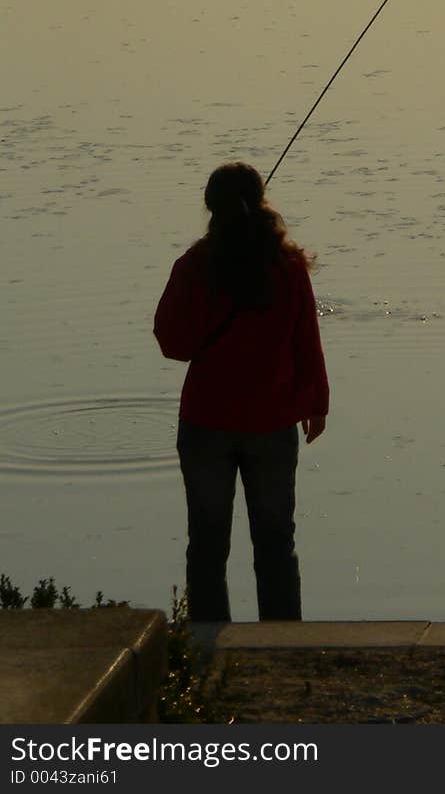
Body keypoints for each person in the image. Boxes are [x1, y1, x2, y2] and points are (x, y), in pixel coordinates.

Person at [153, 162, 329, 623]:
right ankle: (284, 645)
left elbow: (172, 344)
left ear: (211, 208)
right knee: (276, 544)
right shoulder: (288, 267)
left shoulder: (193, 266)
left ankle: (208, 648)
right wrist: (316, 402)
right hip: (272, 422)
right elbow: (306, 338)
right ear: (262, 202)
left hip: (206, 423)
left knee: (207, 545)